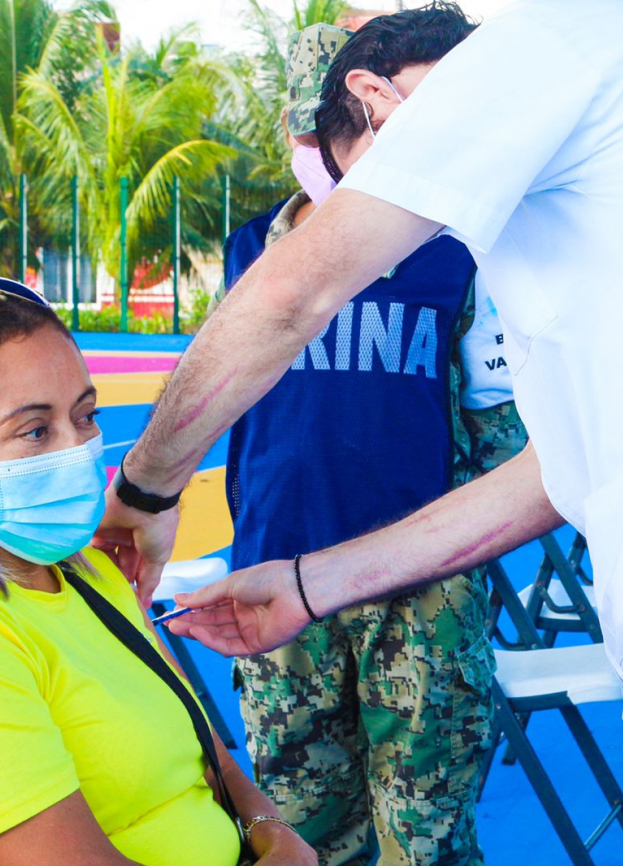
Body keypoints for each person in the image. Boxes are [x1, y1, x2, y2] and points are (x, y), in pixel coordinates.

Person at [96, 1, 623, 863]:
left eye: (358, 183)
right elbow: (556, 472)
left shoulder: (523, 55)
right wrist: (310, 584)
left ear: (375, 96)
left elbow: (294, 293)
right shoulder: (604, 154)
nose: (386, 242)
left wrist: (145, 487)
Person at [0, 277, 316, 866]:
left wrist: (271, 831)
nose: (77, 450)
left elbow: (197, 745)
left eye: (84, 417)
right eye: (35, 431)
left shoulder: (85, 574)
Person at [220, 12, 525, 864]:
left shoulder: (458, 255)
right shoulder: (254, 248)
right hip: (277, 578)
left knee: (423, 839)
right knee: (299, 829)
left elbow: (498, 435)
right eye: (312, 130)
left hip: (420, 596)